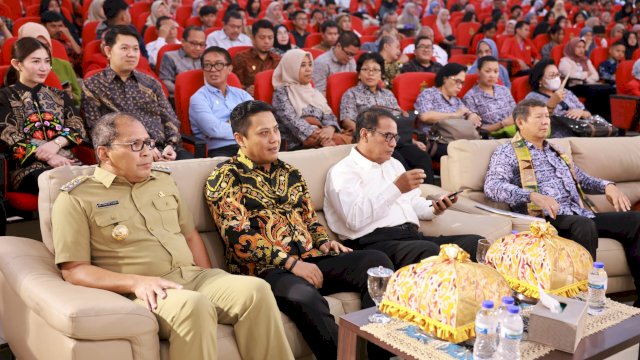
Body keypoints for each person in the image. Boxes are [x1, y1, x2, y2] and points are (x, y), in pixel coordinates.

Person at [53, 112, 295, 360]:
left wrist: (210, 276)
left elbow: (190, 235)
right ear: (104, 154)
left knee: (255, 290)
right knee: (193, 306)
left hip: (192, 277)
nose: (147, 152)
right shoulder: (77, 198)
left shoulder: (163, 181)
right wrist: (136, 282)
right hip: (142, 291)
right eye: (135, 145)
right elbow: (74, 269)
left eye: (148, 143)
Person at [204, 100, 394, 360]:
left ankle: (375, 352)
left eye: (276, 130)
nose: (274, 139)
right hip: (264, 272)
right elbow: (240, 240)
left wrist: (324, 242)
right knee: (304, 295)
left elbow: (309, 219)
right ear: (240, 138)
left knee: (377, 263)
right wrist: (292, 264)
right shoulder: (226, 177)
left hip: (310, 260)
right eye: (263, 133)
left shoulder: (290, 172)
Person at [484, 99, 640, 307]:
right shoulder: (507, 152)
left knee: (635, 220)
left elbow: (582, 179)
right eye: (538, 117)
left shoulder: (556, 150)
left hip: (579, 214)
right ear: (520, 123)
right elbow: (493, 186)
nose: (545, 121)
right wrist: (532, 196)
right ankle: (584, 301)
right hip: (545, 220)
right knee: (583, 225)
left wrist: (607, 187)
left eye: (547, 116)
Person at [324, 107, 481, 269]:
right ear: (364, 134)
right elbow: (353, 220)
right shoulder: (343, 171)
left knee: (475, 244)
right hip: (374, 245)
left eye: (395, 137)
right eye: (387, 136)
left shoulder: (394, 164)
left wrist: (435, 208)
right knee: (430, 253)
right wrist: (396, 188)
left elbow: (413, 203)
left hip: (412, 238)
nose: (393, 144)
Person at [82, 26, 189, 161]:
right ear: (108, 51)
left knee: (193, 167)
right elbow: (97, 129)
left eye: (135, 49)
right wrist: (144, 147)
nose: (131, 54)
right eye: (124, 48)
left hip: (164, 150)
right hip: (127, 152)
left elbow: (170, 119)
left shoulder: (151, 84)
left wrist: (171, 146)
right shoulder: (94, 85)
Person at [0, 37, 85, 195]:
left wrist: (56, 144)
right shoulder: (4, 97)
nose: (44, 68)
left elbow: (77, 127)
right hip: (26, 168)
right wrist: (50, 157)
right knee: (66, 185)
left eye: (47, 61)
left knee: (95, 182)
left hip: (67, 162)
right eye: (36, 61)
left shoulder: (59, 95)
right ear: (17, 64)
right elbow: (9, 136)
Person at [340, 53, 435, 183]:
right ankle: (405, 196)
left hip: (395, 140)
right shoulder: (351, 94)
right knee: (399, 162)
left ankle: (426, 195)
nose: (370, 73)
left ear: (381, 74)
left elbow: (398, 120)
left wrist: (411, 140)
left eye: (375, 70)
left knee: (421, 157)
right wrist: (368, 134)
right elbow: (347, 120)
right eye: (366, 69)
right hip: (374, 141)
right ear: (359, 74)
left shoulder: (388, 94)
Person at [273, 49, 351, 150]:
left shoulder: (313, 91)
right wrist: (321, 138)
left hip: (323, 136)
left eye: (310, 64)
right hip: (297, 142)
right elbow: (292, 121)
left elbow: (329, 115)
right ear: (291, 68)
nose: (308, 69)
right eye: (303, 65)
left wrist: (330, 129)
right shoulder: (281, 92)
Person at [190, 46, 253, 157]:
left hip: (249, 146)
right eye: (208, 65)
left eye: (218, 64)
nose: (213, 69)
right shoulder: (198, 98)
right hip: (221, 150)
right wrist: (246, 128)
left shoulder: (242, 94)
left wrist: (228, 125)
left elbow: (256, 120)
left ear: (229, 68)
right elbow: (214, 130)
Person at [415, 63, 482, 159]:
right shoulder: (428, 94)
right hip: (438, 141)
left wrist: (472, 115)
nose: (460, 86)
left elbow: (467, 112)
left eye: (462, 83)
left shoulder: (457, 101)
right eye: (457, 81)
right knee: (467, 154)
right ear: (445, 78)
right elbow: (425, 116)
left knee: (483, 149)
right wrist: (455, 114)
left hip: (459, 139)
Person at [18, 22, 82, 108]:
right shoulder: (17, 71)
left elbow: (80, 97)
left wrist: (70, 96)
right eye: (37, 45)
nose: (42, 50)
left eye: (46, 45)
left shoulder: (64, 65)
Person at [524, 59, 591, 137]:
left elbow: (588, 113)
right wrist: (553, 102)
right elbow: (536, 122)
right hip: (558, 137)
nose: (556, 78)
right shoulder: (532, 98)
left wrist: (581, 112)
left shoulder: (566, 92)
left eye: (558, 75)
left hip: (583, 131)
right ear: (540, 80)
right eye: (552, 75)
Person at [559, 38, 613, 120]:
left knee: (609, 89)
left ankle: (605, 118)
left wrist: (585, 78)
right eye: (578, 47)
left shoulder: (585, 60)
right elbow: (570, 75)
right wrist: (586, 74)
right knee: (593, 92)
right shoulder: (565, 61)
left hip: (587, 85)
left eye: (583, 47)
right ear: (572, 48)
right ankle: (591, 116)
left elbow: (596, 76)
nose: (581, 49)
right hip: (573, 87)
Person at [463, 56, 516, 135]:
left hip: (514, 135)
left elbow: (516, 113)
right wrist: (501, 124)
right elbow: (476, 131)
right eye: (488, 71)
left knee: (527, 146)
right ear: (478, 72)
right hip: (491, 139)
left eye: (496, 71)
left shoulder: (504, 90)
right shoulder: (470, 97)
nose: (492, 75)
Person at [232, 20, 280, 96]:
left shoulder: (277, 59)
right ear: (253, 38)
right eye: (262, 37)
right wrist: (246, 89)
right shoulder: (241, 57)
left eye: (270, 38)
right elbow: (233, 83)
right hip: (247, 98)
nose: (267, 41)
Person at [159, 26, 205, 97]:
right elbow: (165, 81)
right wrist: (185, 92)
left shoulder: (206, 58)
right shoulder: (170, 57)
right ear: (183, 42)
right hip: (180, 96)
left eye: (201, 44)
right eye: (193, 43)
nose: (198, 48)